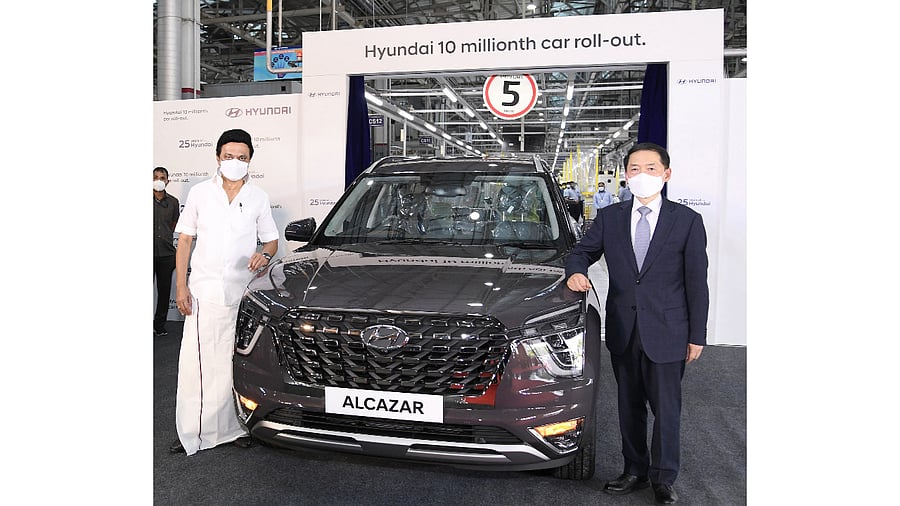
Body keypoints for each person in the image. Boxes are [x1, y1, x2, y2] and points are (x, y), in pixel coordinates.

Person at [564, 143, 708, 505]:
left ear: (666, 174)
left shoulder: (686, 220)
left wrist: (697, 335)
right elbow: (582, 252)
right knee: (628, 405)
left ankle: (663, 477)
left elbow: (696, 282)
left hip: (669, 330)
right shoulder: (610, 218)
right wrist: (575, 272)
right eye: (635, 169)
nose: (642, 175)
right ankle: (634, 469)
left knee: (666, 409)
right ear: (626, 175)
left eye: (651, 168)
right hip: (624, 329)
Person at [170, 128, 280, 456]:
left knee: (233, 363)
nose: (235, 162)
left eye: (242, 157)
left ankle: (233, 429)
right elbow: (185, 240)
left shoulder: (258, 197)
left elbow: (271, 241)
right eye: (229, 156)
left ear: (250, 160)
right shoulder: (200, 193)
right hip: (202, 293)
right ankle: (193, 430)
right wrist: (181, 286)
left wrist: (265, 255)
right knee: (198, 364)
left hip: (241, 295)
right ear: (218, 157)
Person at [153, 167, 180, 337]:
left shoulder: (174, 202)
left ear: (167, 181)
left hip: (166, 254)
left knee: (164, 293)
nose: (158, 180)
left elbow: (173, 224)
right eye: (155, 177)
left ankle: (159, 325)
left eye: (162, 178)